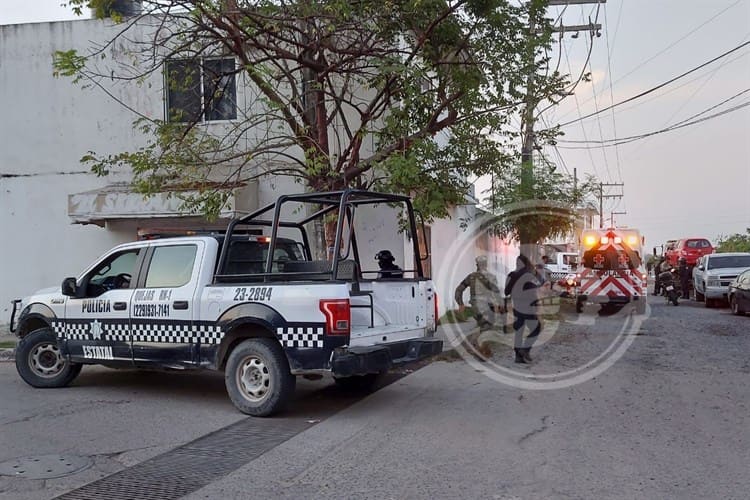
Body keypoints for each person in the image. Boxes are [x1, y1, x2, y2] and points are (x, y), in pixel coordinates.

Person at [505, 254, 542, 364]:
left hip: (517, 307)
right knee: (536, 329)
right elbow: (533, 292)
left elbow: (506, 292)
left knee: (519, 331)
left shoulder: (512, 275)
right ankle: (525, 350)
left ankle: (518, 356)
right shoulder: (529, 275)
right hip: (529, 308)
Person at [455, 255, 503, 331]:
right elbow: (496, 292)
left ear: (477, 265)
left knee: (483, 326)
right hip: (488, 308)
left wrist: (460, 304)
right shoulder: (491, 277)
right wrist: (500, 305)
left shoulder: (471, 277)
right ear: (486, 264)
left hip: (475, 308)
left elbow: (458, 290)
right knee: (488, 328)